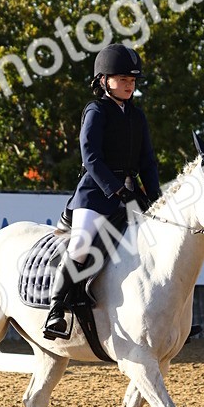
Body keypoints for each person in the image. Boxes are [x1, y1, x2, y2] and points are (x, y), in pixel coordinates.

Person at [43, 43, 161, 340]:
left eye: (132, 81)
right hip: (96, 193)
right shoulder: (96, 110)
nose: (128, 86)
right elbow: (90, 156)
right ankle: (56, 310)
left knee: (157, 245)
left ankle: (165, 317)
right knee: (81, 245)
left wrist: (157, 198)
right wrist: (116, 189)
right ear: (104, 81)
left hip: (131, 194)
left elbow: (147, 160)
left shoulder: (138, 116)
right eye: (122, 80)